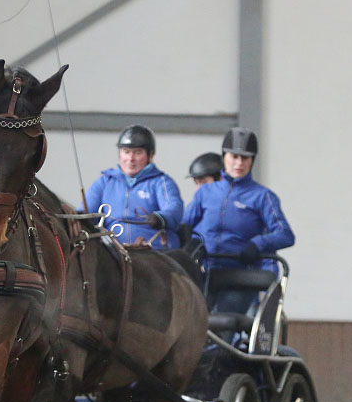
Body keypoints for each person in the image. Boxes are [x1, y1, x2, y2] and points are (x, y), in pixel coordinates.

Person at [181, 127, 295, 314]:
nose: (238, 163)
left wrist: (258, 244)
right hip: (206, 273)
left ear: (252, 161)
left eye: (245, 158)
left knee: (222, 319)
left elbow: (285, 234)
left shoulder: (262, 197)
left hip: (239, 277)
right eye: (234, 157)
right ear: (224, 157)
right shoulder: (205, 193)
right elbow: (184, 225)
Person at [83, 125, 183, 248]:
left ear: (150, 156)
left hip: (153, 251)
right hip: (114, 252)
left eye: (138, 153)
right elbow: (85, 213)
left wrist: (160, 217)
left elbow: (174, 208)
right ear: (120, 154)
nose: (131, 159)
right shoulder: (104, 182)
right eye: (126, 152)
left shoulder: (161, 182)